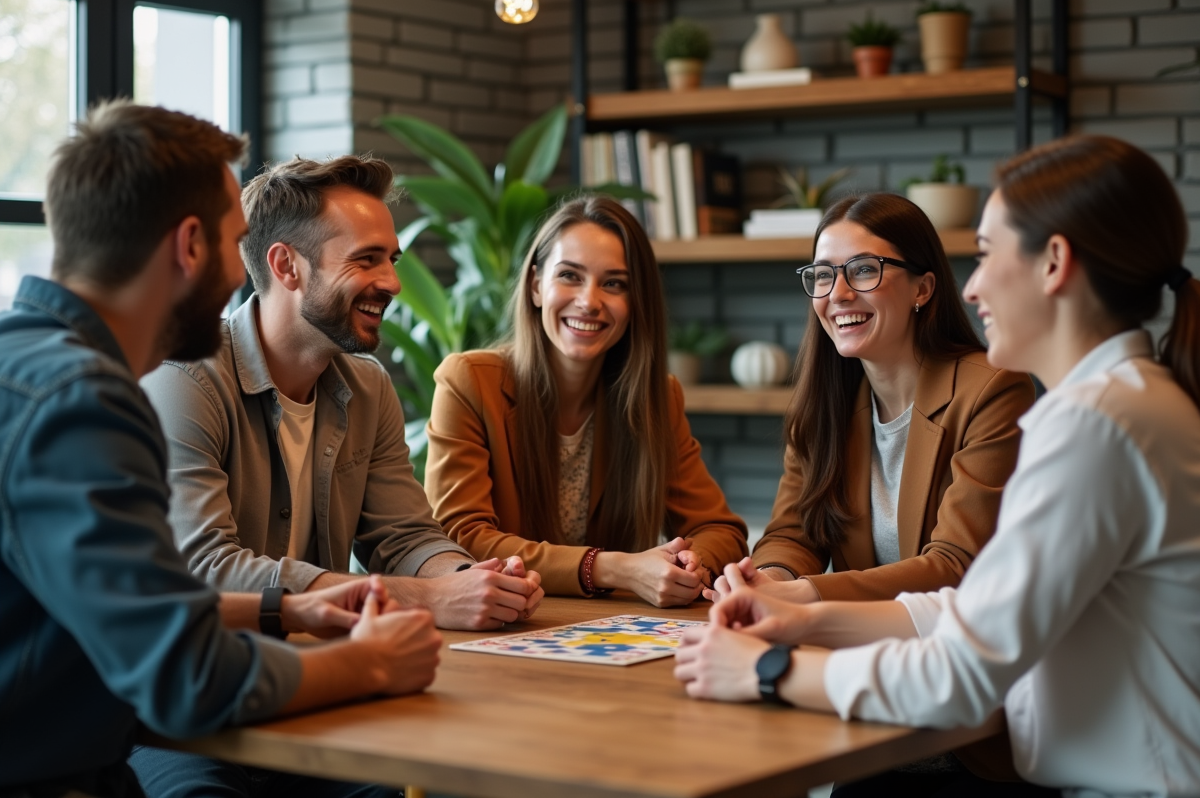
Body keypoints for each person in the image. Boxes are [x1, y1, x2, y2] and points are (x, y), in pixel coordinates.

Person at [675, 135, 1200, 798]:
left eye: (985, 254)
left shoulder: (1096, 426)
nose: (974, 285)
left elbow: (962, 674)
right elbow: (976, 609)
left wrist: (768, 670)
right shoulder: (1125, 404)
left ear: (1054, 263)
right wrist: (803, 615)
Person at [0, 102, 442, 798]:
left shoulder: (26, 367)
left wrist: (283, 609)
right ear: (189, 247)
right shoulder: (81, 403)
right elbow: (186, 675)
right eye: (237, 243)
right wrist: (373, 665)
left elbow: (128, 604)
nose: (245, 280)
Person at [139, 155, 544, 635]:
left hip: (319, 660)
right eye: (365, 259)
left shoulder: (368, 387)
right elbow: (206, 570)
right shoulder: (184, 381)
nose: (392, 283)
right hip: (207, 678)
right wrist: (426, 597)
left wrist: (472, 580)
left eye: (391, 260)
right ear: (287, 266)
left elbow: (404, 536)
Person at [711, 192, 1034, 606]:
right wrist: (769, 578)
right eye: (824, 275)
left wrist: (804, 592)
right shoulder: (823, 404)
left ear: (923, 288)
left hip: (959, 650)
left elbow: (956, 563)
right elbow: (794, 534)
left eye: (864, 270)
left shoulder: (993, 390)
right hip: (857, 642)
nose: (838, 294)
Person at [424, 196, 748, 607]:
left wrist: (689, 562)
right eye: (570, 276)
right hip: (506, 623)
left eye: (614, 283)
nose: (589, 301)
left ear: (635, 303)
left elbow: (721, 530)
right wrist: (614, 568)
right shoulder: (468, 381)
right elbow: (461, 538)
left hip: (608, 635)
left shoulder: (657, 397)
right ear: (537, 285)